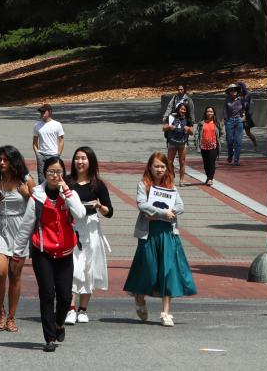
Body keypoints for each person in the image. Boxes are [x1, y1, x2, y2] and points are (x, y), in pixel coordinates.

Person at [12, 156, 86, 352]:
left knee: (64, 296)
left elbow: (80, 214)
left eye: (59, 172)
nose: (55, 175)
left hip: (65, 252)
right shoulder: (36, 196)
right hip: (42, 252)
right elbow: (27, 225)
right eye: (52, 172)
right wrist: (17, 253)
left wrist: (67, 191)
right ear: (45, 173)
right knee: (47, 294)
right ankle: (50, 337)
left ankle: (59, 323)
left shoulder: (69, 193)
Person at [123, 152, 197, 327]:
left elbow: (180, 206)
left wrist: (166, 213)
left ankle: (166, 312)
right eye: (156, 166)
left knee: (168, 271)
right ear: (150, 167)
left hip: (168, 233)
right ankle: (139, 297)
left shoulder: (171, 187)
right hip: (148, 233)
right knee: (148, 268)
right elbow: (142, 205)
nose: (159, 169)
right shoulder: (143, 185)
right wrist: (163, 212)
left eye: (162, 166)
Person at [0, 145, 35, 332]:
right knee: (0, 272)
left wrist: (28, 195)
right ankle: (0, 311)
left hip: (20, 229)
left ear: (14, 161)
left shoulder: (26, 181)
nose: (2, 163)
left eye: (6, 160)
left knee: (15, 274)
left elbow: (40, 206)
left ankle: (11, 317)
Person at [64, 146, 113, 325]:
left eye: (84, 158)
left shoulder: (98, 184)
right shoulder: (67, 182)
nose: (80, 162)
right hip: (73, 227)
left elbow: (109, 212)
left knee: (88, 269)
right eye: (77, 158)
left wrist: (99, 206)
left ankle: (82, 310)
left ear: (90, 161)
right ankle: (70, 308)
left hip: (91, 228)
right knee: (73, 268)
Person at [32, 104, 65, 184]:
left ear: (50, 112)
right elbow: (35, 141)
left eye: (44, 112)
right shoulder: (37, 125)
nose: (42, 114)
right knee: (41, 176)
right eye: (41, 112)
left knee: (54, 176)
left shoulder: (57, 125)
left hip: (53, 155)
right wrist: (37, 153)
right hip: (41, 155)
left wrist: (58, 154)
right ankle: (42, 194)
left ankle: (55, 192)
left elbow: (61, 140)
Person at [163, 102, 193, 187]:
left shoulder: (188, 119)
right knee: (169, 162)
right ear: (178, 109)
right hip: (172, 142)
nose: (182, 111)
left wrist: (188, 129)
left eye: (184, 109)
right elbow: (163, 128)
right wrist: (169, 127)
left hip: (182, 143)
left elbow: (191, 133)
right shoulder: (171, 117)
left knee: (182, 162)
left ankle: (181, 180)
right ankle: (171, 177)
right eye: (181, 109)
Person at [194, 106, 223, 186]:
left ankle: (210, 178)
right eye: (208, 111)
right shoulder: (201, 123)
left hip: (214, 145)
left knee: (211, 162)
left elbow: (222, 133)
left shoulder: (217, 123)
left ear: (214, 113)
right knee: (206, 163)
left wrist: (220, 141)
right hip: (203, 146)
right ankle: (208, 177)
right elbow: (196, 133)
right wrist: (196, 141)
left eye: (211, 111)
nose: (209, 113)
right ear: (205, 113)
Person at [222, 83, 245, 166]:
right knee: (230, 140)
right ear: (229, 92)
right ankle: (230, 154)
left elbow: (245, 108)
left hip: (239, 120)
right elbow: (224, 110)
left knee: (238, 141)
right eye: (231, 90)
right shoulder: (227, 99)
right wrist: (224, 120)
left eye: (235, 89)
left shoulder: (241, 99)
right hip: (230, 120)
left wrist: (244, 117)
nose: (233, 91)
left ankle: (236, 159)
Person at [239, 81, 259, 152]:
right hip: (238, 116)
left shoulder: (248, 95)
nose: (239, 89)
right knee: (237, 132)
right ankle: (236, 147)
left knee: (248, 133)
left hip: (246, 117)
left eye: (240, 88)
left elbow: (249, 106)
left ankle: (255, 145)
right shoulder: (237, 95)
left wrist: (247, 115)